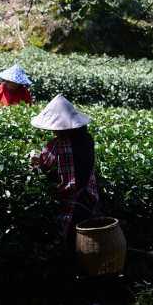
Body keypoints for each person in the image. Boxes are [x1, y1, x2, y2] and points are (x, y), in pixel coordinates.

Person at [29, 94, 99, 247]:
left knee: (69, 245)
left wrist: (34, 161)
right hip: (88, 200)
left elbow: (42, 167)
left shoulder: (56, 145)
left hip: (69, 204)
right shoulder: (87, 139)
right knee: (87, 244)